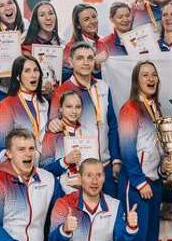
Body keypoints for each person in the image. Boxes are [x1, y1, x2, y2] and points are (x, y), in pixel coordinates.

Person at [118, 61, 170, 241]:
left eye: (154, 74)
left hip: (154, 179)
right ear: (136, 81)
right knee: (135, 236)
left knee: (150, 234)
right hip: (136, 183)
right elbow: (127, 150)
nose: (151, 79)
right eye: (145, 75)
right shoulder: (130, 108)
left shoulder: (155, 108)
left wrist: (162, 169)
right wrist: (139, 182)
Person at [49, 42, 121, 198]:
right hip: (81, 170)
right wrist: (52, 123)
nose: (86, 62)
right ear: (71, 61)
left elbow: (112, 124)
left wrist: (116, 159)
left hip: (106, 165)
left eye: (90, 58)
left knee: (109, 209)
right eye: (80, 58)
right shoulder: (62, 91)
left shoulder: (103, 86)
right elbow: (54, 125)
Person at [0, 55, 49, 162]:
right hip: (18, 164)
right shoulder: (7, 104)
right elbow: (1, 145)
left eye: (36, 70)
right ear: (18, 76)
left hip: (42, 163)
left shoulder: (44, 102)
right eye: (27, 71)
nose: (33, 75)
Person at [40, 90, 84, 194]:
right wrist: (65, 161)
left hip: (85, 190)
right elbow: (43, 170)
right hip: (61, 193)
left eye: (78, 107)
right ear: (60, 109)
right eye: (69, 107)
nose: (74, 111)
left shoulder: (86, 132)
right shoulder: (52, 135)